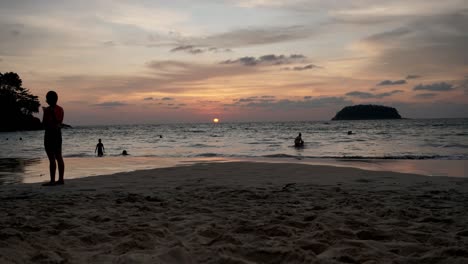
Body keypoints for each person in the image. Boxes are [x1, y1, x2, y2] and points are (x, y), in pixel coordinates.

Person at [42, 91, 65, 186]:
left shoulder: (59, 109)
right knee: (54, 157)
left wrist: (51, 113)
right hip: (50, 134)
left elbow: (58, 122)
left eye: (47, 98)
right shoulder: (49, 110)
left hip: (54, 134)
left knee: (56, 157)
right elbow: (44, 123)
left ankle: (57, 180)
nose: (46, 100)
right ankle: (56, 180)